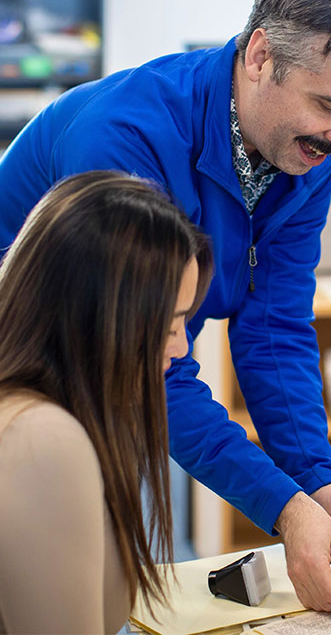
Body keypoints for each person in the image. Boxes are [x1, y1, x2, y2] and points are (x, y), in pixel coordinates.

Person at [0, 0, 331, 613]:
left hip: (113, 379)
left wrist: (314, 482)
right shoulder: (125, 137)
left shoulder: (306, 148)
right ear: (261, 55)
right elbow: (149, 359)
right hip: (34, 386)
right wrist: (283, 505)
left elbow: (273, 325)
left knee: (119, 595)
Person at [0, 170, 213, 634]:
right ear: (97, 315)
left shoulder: (52, 415)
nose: (180, 350)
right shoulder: (42, 438)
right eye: (171, 323)